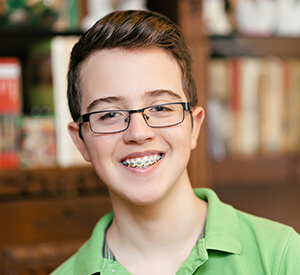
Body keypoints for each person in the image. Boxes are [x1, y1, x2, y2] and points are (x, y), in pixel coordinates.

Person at [51, 10, 300, 275]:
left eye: (161, 108)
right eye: (110, 114)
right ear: (81, 141)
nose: (138, 132)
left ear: (195, 127)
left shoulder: (281, 257)